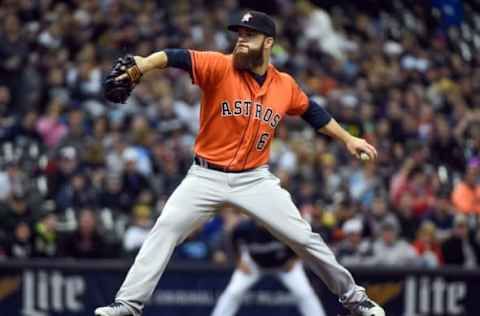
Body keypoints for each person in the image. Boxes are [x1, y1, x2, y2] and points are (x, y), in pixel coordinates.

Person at [95, 10, 384, 316]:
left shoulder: (284, 85)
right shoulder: (220, 66)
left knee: (303, 237)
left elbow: (313, 112)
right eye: (240, 35)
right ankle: (128, 304)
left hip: (254, 179)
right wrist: (144, 64)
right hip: (205, 176)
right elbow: (175, 56)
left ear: (268, 42)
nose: (241, 41)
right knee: (165, 229)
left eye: (250, 36)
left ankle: (355, 299)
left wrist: (348, 140)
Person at [211, 219, 326, 316]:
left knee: (304, 293)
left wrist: (295, 259)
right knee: (233, 292)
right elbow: (232, 240)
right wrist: (239, 260)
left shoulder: (283, 226)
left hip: (284, 265)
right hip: (254, 264)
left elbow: (303, 240)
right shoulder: (244, 228)